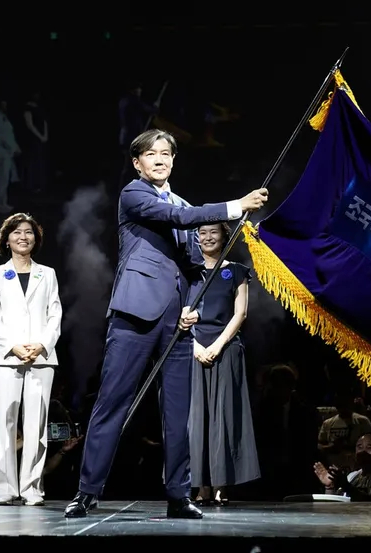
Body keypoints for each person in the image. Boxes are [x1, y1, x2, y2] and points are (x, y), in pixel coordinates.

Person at [64, 129, 268, 519]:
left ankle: (179, 495)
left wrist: (192, 305)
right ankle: (87, 491)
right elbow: (177, 217)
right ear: (137, 162)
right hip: (135, 314)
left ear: (173, 160)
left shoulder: (183, 204)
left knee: (178, 413)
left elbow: (193, 267)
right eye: (151, 154)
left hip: (178, 325)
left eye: (166, 154)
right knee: (112, 403)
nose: (160, 159)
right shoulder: (134, 194)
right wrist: (234, 205)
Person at [0, 212, 63, 506]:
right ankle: (4, 489)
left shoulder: (48, 274)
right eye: (16, 232)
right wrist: (13, 346)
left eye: (28, 232)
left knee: (36, 426)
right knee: (5, 422)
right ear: (6, 239)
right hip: (6, 357)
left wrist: (41, 344)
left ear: (35, 239)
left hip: (41, 358)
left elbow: (55, 314)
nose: (23, 237)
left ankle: (32, 488)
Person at [187, 222, 260, 505]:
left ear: (224, 236)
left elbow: (240, 314)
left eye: (213, 232)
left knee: (224, 416)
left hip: (226, 349)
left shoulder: (237, 271)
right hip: (191, 349)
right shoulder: (187, 271)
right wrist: (195, 346)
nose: (207, 237)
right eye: (202, 233)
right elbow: (177, 312)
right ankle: (200, 485)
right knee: (195, 419)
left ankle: (221, 484)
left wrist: (217, 346)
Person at [312, 432, 371, 501]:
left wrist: (346, 486)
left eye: (369, 447)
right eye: (360, 447)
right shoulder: (352, 476)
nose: (363, 451)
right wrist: (330, 486)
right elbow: (334, 504)